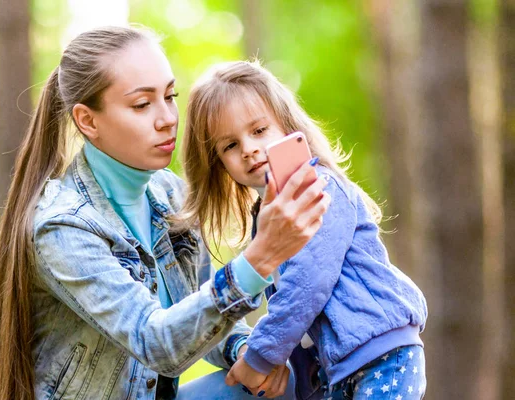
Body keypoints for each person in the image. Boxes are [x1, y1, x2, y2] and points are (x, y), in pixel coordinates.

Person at [0, 26, 331, 400]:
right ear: (87, 121)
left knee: (291, 378)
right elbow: (156, 342)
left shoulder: (169, 194)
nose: (167, 118)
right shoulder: (63, 226)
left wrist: (243, 350)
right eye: (142, 105)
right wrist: (262, 256)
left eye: (170, 96)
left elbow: (200, 315)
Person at [181, 60, 428, 400]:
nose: (249, 149)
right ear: (219, 163)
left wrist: (261, 356)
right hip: (340, 367)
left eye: (258, 131)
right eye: (230, 145)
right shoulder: (266, 218)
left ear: (287, 125)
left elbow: (308, 283)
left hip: (382, 355)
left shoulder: (318, 190)